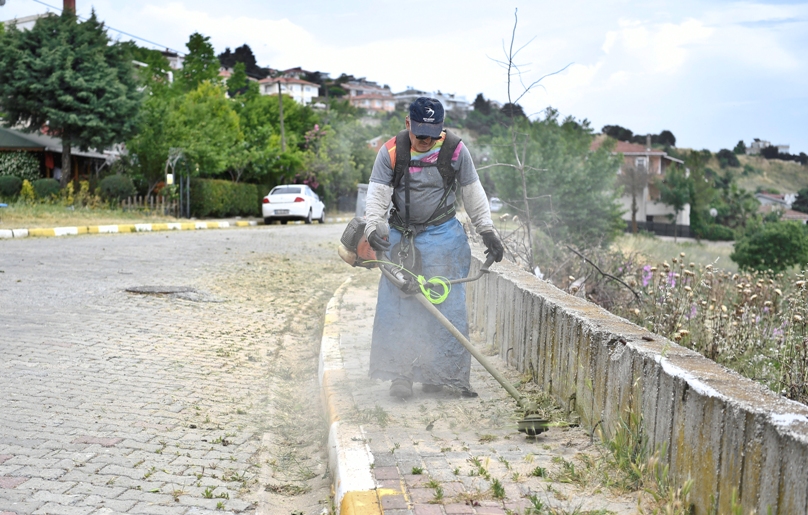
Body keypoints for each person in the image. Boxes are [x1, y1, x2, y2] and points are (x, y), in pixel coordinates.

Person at [363, 97, 504, 398]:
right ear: (407, 125)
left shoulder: (455, 150)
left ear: (441, 129)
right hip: (402, 237)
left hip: (444, 236)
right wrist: (373, 226)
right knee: (398, 304)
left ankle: (442, 375)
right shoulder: (390, 152)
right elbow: (377, 196)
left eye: (431, 134)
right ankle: (400, 375)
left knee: (447, 303)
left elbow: (472, 193)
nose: (425, 140)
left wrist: (488, 231)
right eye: (419, 134)